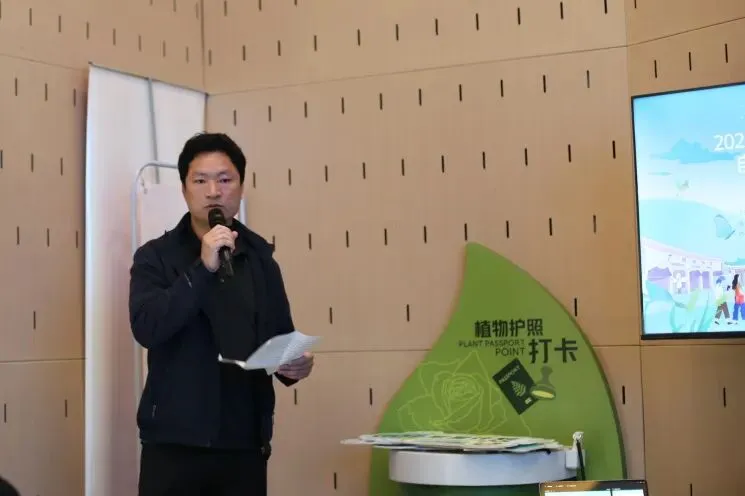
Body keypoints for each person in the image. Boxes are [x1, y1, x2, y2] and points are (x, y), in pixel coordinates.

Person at [129, 132, 314, 496]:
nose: (213, 192)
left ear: (241, 188)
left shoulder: (260, 258)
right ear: (184, 190)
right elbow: (148, 327)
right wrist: (203, 268)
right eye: (201, 181)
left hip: (243, 442)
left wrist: (294, 364)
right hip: (174, 443)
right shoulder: (155, 257)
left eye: (225, 180)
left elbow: (279, 338)